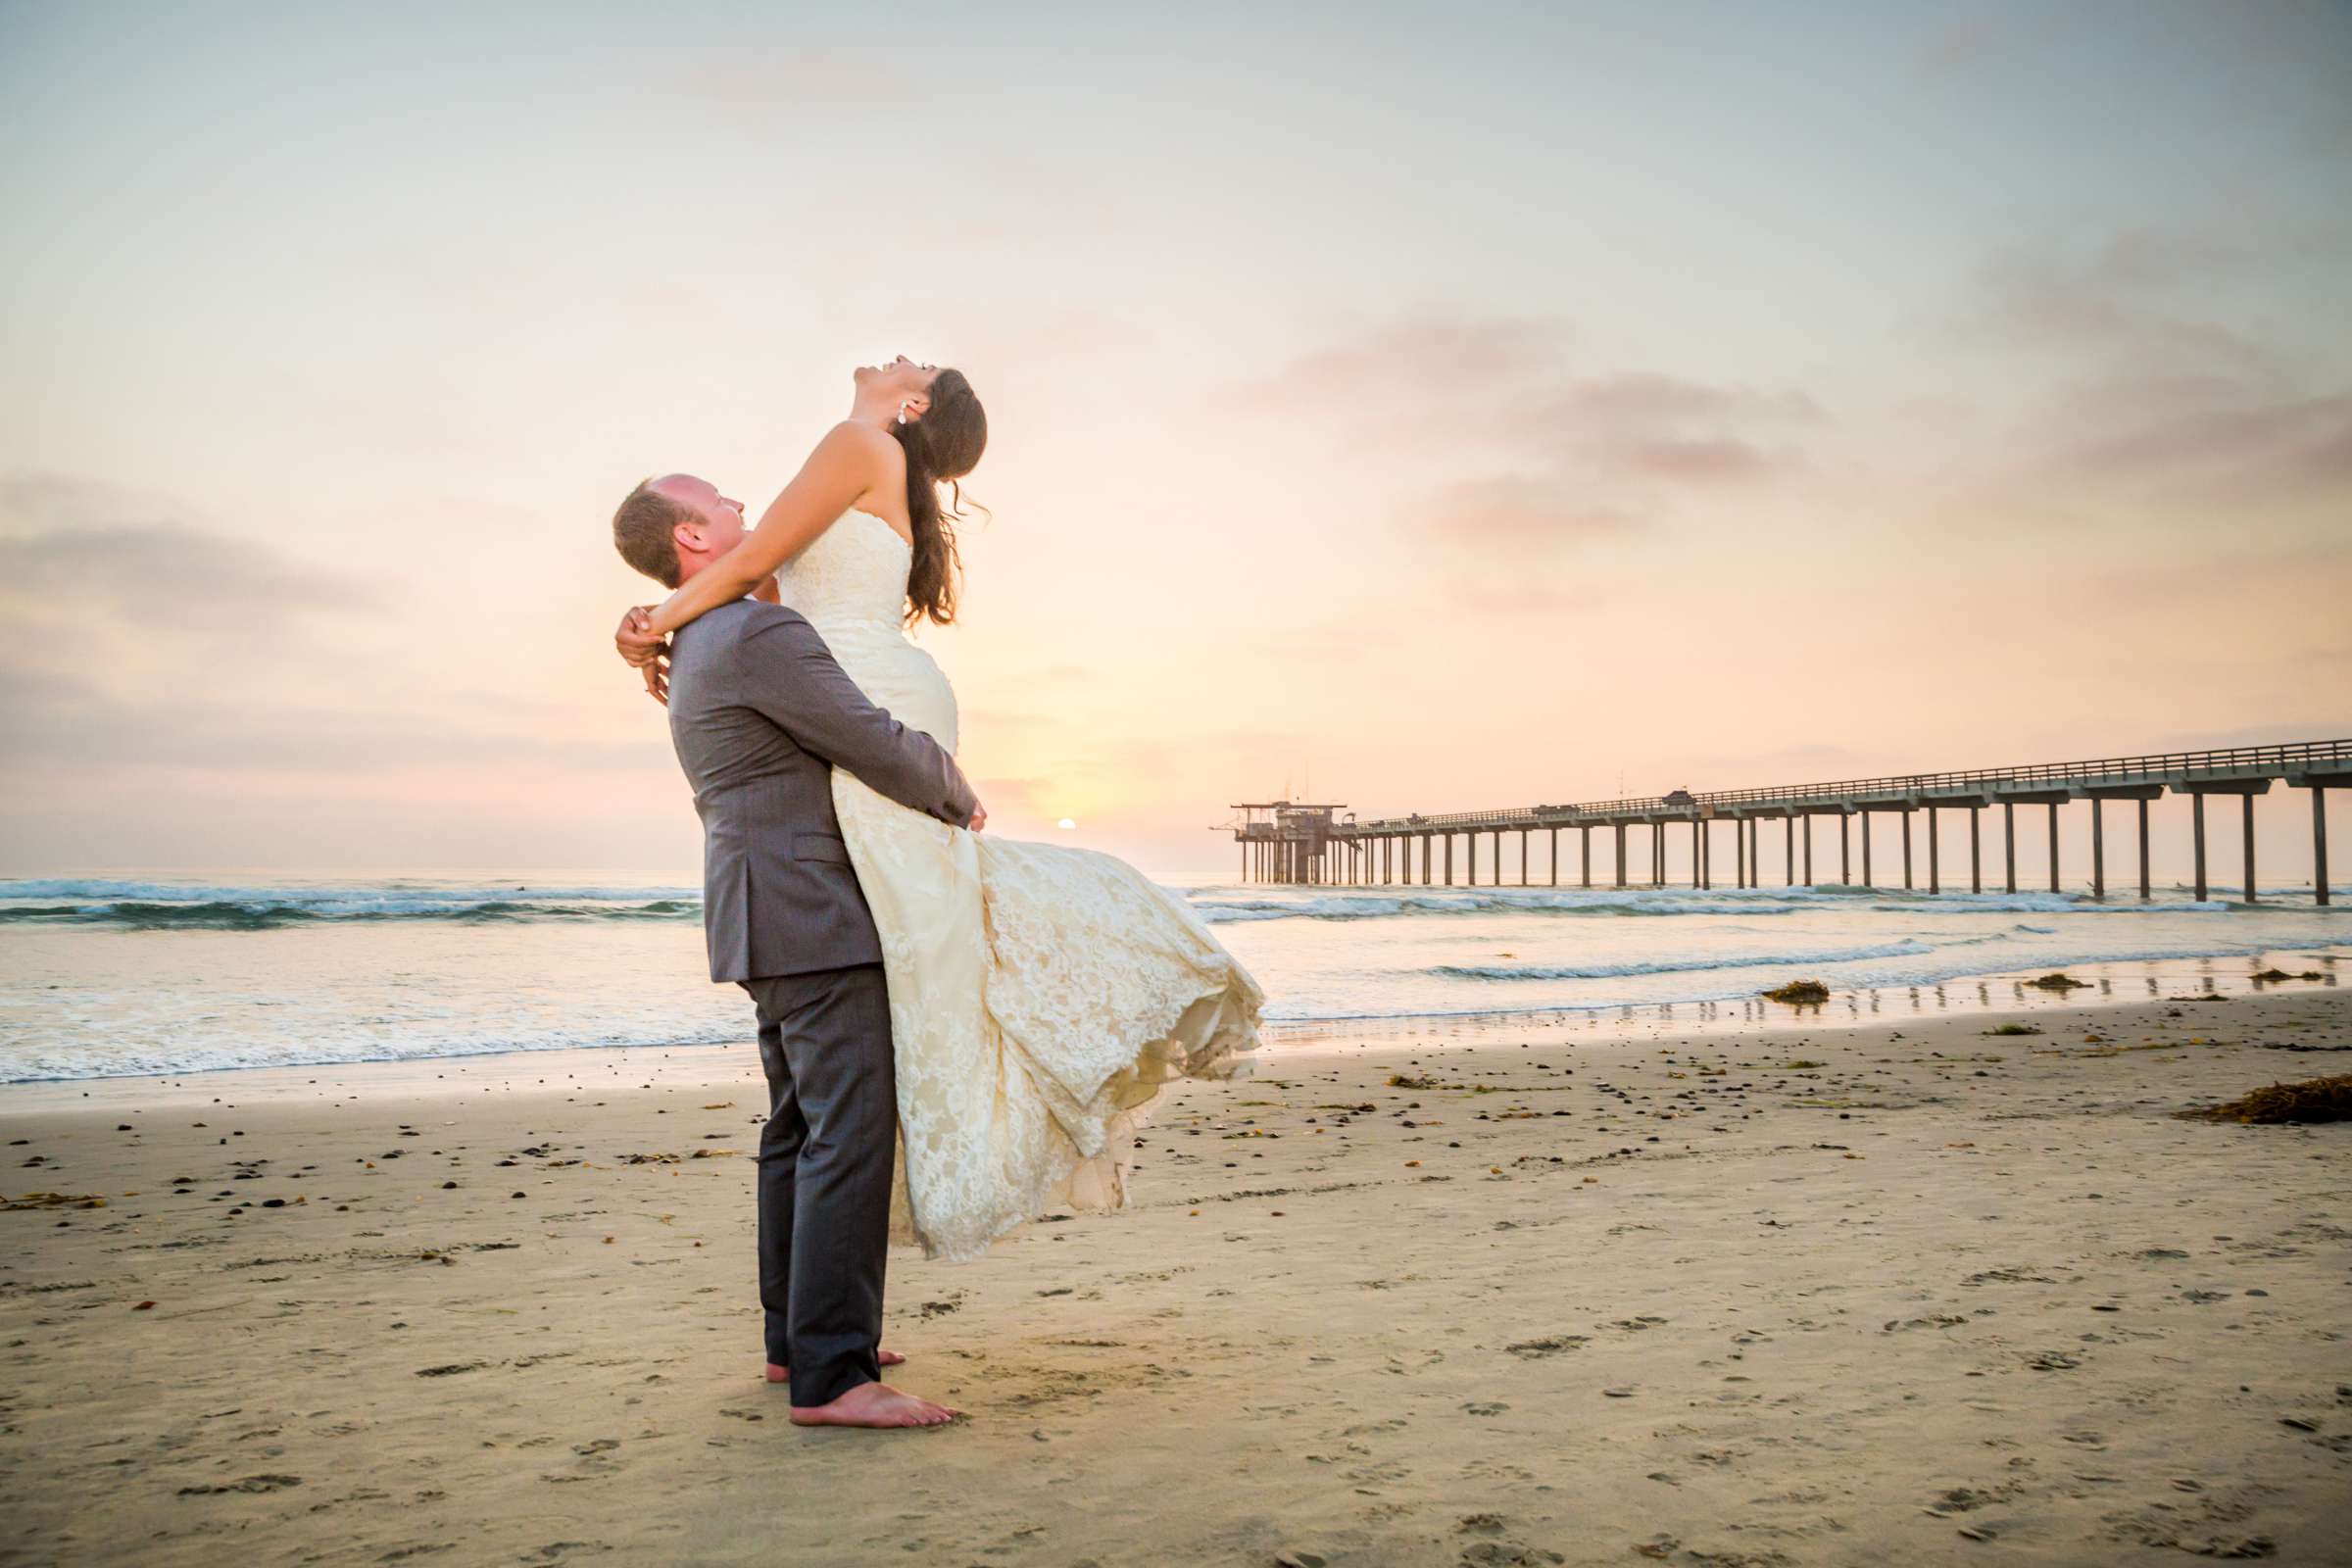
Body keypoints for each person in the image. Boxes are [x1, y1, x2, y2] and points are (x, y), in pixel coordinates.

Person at [612, 356, 1263, 1269]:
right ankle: (830, 1311)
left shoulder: (855, 443)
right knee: (920, 947)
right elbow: (760, 582)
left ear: (911, 405)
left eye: (916, 369)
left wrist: (648, 625)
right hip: (860, 694)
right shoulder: (855, 464)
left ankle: (831, 1317)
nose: (897, 360)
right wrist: (659, 620)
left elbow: (755, 565)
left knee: (911, 949)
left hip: (870, 702)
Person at [614, 471, 978, 1427]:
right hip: (814, 911)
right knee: (850, 1129)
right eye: (723, 503)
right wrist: (954, 788)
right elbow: (862, 735)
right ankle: (835, 1376)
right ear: (692, 537)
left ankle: (797, 1340)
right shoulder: (753, 634)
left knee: (801, 1129)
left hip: (758, 913)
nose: (747, 507)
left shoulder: (698, 641)